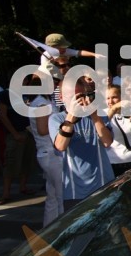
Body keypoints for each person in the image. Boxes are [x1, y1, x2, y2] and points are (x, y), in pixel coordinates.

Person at [49, 77, 114, 213]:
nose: (76, 100)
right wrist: (71, 117)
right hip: (74, 190)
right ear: (61, 97)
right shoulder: (57, 119)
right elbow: (60, 146)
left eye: (79, 95)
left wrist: (94, 116)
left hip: (103, 184)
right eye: (71, 96)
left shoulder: (98, 115)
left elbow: (107, 142)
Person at [26, 72, 64, 226]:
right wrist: (64, 125)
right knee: (61, 197)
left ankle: (48, 230)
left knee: (52, 196)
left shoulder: (42, 102)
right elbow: (42, 129)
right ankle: (63, 232)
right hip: (51, 153)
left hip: (47, 152)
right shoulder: (42, 104)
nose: (54, 85)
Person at [0, 81, 37, 204]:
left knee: (27, 160)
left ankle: (23, 186)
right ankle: (6, 193)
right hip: (14, 133)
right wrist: (14, 133)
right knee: (11, 162)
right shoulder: (4, 95)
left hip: (29, 131)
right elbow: (3, 115)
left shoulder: (27, 93)